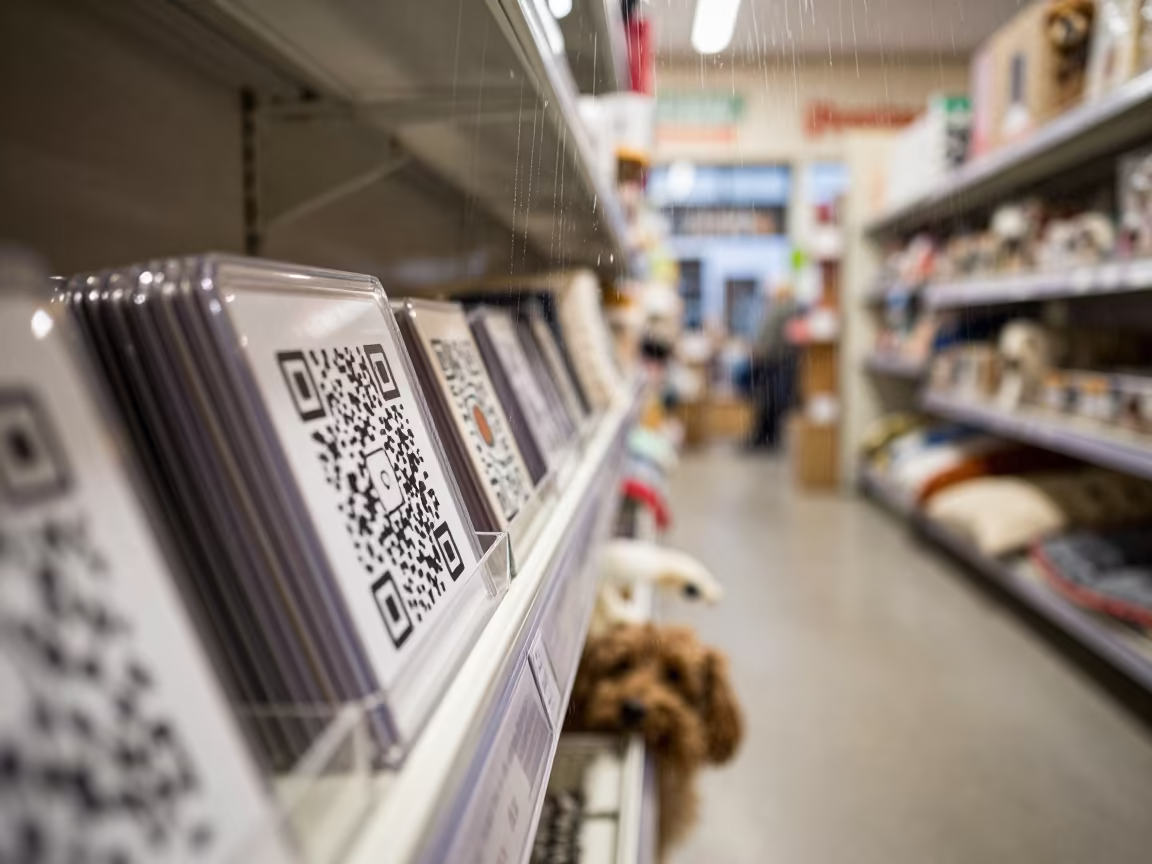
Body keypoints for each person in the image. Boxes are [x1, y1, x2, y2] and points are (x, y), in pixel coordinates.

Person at [748, 285, 799, 450]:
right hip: (772, 361)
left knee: (771, 401)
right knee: (768, 401)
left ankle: (767, 438)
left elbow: (775, 338)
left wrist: (762, 352)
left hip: (775, 361)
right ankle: (765, 437)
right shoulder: (781, 310)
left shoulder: (785, 310)